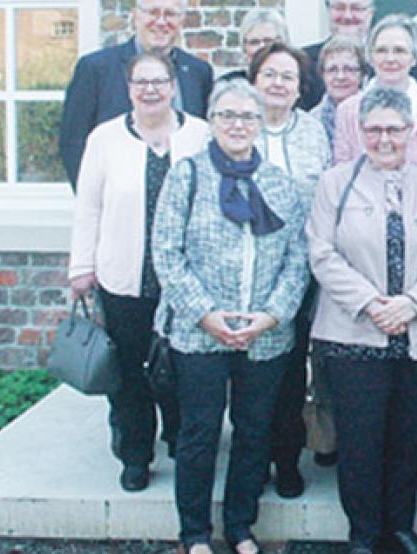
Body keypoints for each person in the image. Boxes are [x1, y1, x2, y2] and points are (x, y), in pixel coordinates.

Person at [306, 86, 417, 554]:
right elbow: (321, 252)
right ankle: (363, 532)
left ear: (411, 132)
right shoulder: (334, 185)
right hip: (353, 335)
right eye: (373, 128)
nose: (383, 138)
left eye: (393, 129)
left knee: (407, 439)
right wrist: (372, 303)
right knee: (360, 443)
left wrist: (415, 303)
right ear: (359, 132)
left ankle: (400, 526)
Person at [152, 79, 308, 554]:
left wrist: (271, 316)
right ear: (211, 122)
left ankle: (241, 526)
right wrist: (205, 315)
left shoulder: (281, 184)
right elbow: (166, 253)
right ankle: (195, 533)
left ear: (260, 124)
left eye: (247, 116)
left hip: (263, 336)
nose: (238, 125)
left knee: (254, 431)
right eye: (227, 115)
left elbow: (298, 260)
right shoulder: (187, 175)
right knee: (199, 433)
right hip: (200, 335)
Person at [68, 51, 208, 492]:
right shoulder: (105, 139)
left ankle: (181, 441)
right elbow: (88, 207)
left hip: (187, 283)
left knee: (185, 371)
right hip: (125, 279)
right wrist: (81, 266)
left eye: (159, 81)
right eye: (140, 83)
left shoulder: (201, 135)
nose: (150, 90)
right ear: (129, 89)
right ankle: (135, 454)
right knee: (129, 374)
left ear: (173, 86)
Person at [248, 41, 333, 498]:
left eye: (288, 77)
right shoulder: (236, 125)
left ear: (300, 90)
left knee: (289, 371)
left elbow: (323, 199)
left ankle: (287, 458)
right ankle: (254, 457)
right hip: (245, 273)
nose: (278, 84)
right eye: (270, 75)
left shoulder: (313, 131)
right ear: (254, 81)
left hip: (299, 268)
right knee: (251, 375)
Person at [60, 0, 213, 190]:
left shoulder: (199, 72)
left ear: (182, 20)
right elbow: (72, 142)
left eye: (170, 14)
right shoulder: (96, 69)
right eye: (153, 13)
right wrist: (95, 197)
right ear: (136, 15)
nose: (161, 22)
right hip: (121, 208)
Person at [334, 15, 417, 189]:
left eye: (400, 50)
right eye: (382, 50)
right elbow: (342, 175)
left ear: (414, 58)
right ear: (370, 57)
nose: (390, 58)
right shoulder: (347, 110)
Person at [303, 0, 376, 110]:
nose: (347, 16)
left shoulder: (387, 62)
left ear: (370, 13)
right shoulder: (303, 61)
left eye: (356, 8)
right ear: (328, 11)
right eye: (339, 8)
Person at [310, 35, 367, 151]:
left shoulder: (374, 114)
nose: (340, 77)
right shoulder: (311, 121)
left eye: (349, 69)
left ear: (362, 75)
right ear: (323, 75)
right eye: (332, 70)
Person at [219, 8, 290, 83]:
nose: (261, 47)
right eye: (254, 42)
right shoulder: (229, 84)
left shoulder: (300, 82)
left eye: (268, 41)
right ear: (244, 48)